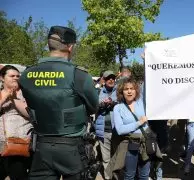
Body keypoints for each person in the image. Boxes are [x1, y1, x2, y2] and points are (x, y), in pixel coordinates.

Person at [19, 26, 99, 179]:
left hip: (41, 147)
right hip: (72, 148)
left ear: (49, 45)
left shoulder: (26, 74)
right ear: (70, 47)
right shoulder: (79, 75)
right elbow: (93, 107)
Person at [113, 78, 150, 180]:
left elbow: (149, 84)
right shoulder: (118, 108)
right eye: (126, 89)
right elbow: (120, 130)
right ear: (122, 92)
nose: (129, 91)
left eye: (132, 88)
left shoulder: (142, 102)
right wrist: (139, 123)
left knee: (144, 175)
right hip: (129, 145)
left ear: (136, 90)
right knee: (129, 175)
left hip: (145, 144)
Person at [0, 65, 32, 180]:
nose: (15, 78)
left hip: (19, 144)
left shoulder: (25, 94)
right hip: (1, 144)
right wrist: (3, 99)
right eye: (12, 76)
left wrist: (14, 99)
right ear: (2, 78)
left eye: (18, 76)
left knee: (18, 175)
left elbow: (30, 114)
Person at [95, 70, 117, 180]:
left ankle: (117, 176)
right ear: (103, 80)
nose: (111, 80)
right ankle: (109, 177)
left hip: (117, 131)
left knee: (118, 157)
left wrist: (114, 103)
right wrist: (101, 105)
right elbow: (92, 107)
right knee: (106, 158)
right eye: (108, 78)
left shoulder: (120, 92)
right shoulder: (97, 92)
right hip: (103, 131)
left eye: (113, 78)